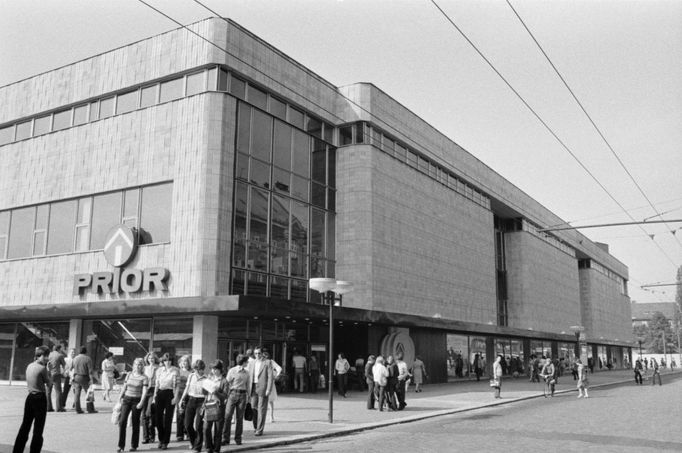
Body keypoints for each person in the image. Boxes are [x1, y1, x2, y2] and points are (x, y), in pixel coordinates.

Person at [13, 345, 50, 453]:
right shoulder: (42, 368)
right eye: (45, 356)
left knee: (25, 426)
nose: (47, 358)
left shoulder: (29, 366)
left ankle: (17, 450)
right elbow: (49, 383)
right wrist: (48, 370)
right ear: (40, 356)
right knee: (38, 429)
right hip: (40, 398)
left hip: (30, 398)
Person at [117, 357, 149, 453]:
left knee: (135, 423)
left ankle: (134, 445)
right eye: (136, 364)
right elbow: (124, 387)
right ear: (133, 365)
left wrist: (141, 402)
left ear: (142, 366)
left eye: (140, 364)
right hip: (127, 399)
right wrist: (120, 397)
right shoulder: (129, 374)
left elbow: (144, 391)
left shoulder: (144, 377)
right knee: (122, 422)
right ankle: (121, 446)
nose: (138, 366)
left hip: (137, 400)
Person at [221, 354, 250, 447]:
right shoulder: (232, 371)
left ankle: (238, 439)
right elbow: (226, 383)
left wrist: (248, 398)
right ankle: (225, 439)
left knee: (239, 418)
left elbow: (248, 385)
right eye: (247, 361)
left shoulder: (247, 372)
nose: (248, 363)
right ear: (243, 362)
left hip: (243, 395)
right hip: (232, 394)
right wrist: (225, 397)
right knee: (228, 416)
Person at [180, 359, 207, 453]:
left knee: (199, 425)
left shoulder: (206, 378)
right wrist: (181, 400)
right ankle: (194, 441)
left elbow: (208, 394)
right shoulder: (191, 376)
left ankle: (197, 447)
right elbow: (187, 389)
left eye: (200, 369)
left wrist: (205, 404)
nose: (198, 371)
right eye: (197, 369)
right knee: (187, 424)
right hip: (191, 400)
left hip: (201, 401)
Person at [154, 353, 179, 450]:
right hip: (160, 393)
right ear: (162, 361)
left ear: (171, 361)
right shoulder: (159, 370)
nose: (167, 362)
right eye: (165, 360)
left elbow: (177, 385)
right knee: (158, 418)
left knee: (168, 419)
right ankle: (160, 438)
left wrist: (176, 397)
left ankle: (165, 441)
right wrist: (154, 396)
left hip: (170, 393)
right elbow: (156, 384)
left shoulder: (175, 370)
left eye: (169, 360)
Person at [248, 346, 274, 436]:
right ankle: (256, 427)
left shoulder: (267, 362)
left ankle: (259, 430)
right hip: (253, 387)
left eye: (259, 353)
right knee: (253, 407)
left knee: (261, 409)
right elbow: (249, 376)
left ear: (262, 353)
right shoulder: (252, 363)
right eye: (255, 353)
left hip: (263, 388)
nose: (257, 355)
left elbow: (271, 377)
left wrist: (268, 389)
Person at [203, 359, 228, 453]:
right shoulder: (209, 378)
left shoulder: (224, 381)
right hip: (209, 405)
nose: (213, 371)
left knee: (218, 430)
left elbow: (225, 396)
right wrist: (204, 387)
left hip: (219, 406)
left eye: (215, 369)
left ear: (220, 369)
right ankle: (208, 448)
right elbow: (204, 392)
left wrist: (215, 391)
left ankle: (216, 449)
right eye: (212, 369)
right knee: (206, 428)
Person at [71, 346, 97, 414]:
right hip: (85, 377)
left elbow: (71, 368)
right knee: (89, 393)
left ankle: (77, 409)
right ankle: (90, 409)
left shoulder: (75, 358)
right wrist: (91, 379)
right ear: (86, 351)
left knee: (77, 394)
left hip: (76, 377)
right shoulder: (88, 358)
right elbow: (90, 371)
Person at [141, 352, 159, 444]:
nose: (151, 359)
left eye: (152, 358)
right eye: (149, 358)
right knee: (144, 415)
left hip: (154, 390)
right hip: (145, 390)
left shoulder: (158, 368)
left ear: (155, 359)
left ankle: (152, 435)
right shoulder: (144, 368)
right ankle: (145, 436)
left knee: (151, 413)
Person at [175, 355, 191, 442]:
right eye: (182, 361)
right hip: (179, 394)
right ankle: (179, 434)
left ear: (188, 363)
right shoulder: (178, 371)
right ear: (180, 363)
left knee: (187, 414)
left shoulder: (191, 372)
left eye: (186, 361)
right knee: (179, 414)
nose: (184, 363)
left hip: (188, 394)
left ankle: (188, 433)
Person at [46, 344, 66, 412]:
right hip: (56, 374)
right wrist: (64, 373)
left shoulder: (49, 354)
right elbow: (64, 365)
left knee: (48, 392)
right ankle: (59, 408)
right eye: (61, 349)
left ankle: (48, 407)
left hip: (49, 375)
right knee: (58, 392)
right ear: (59, 349)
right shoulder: (60, 355)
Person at [264, 351, 282, 422]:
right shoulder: (270, 361)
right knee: (269, 401)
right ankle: (270, 417)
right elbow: (279, 368)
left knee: (269, 401)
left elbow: (279, 368)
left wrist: (275, 376)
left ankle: (271, 417)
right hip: (269, 383)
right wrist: (275, 376)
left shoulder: (270, 362)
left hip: (268, 383)